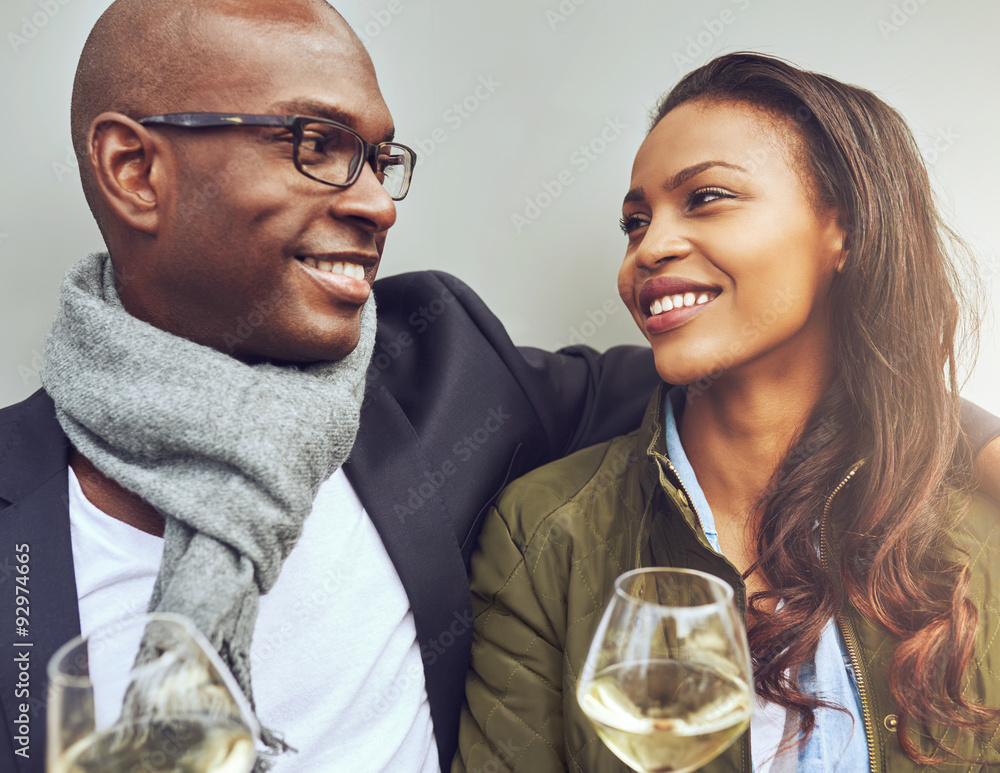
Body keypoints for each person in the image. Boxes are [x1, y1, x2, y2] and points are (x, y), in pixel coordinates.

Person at [1, 6, 999, 771]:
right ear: (135, 168)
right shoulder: (16, 506)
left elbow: (772, 393)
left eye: (379, 158)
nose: (375, 202)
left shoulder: (443, 366)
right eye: (315, 145)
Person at [455, 53, 1000, 773]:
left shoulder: (975, 526)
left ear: (847, 230)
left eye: (707, 197)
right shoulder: (544, 532)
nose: (650, 248)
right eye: (635, 221)